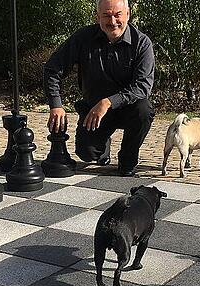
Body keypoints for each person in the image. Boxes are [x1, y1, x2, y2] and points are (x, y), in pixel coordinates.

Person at [44, 0, 155, 177]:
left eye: (117, 15)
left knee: (144, 110)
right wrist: (56, 105)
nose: (112, 21)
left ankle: (128, 159)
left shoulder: (142, 43)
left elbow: (142, 87)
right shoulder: (83, 38)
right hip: (93, 110)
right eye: (106, 15)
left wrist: (109, 102)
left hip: (129, 109)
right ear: (97, 17)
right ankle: (103, 148)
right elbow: (52, 69)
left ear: (128, 14)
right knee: (87, 154)